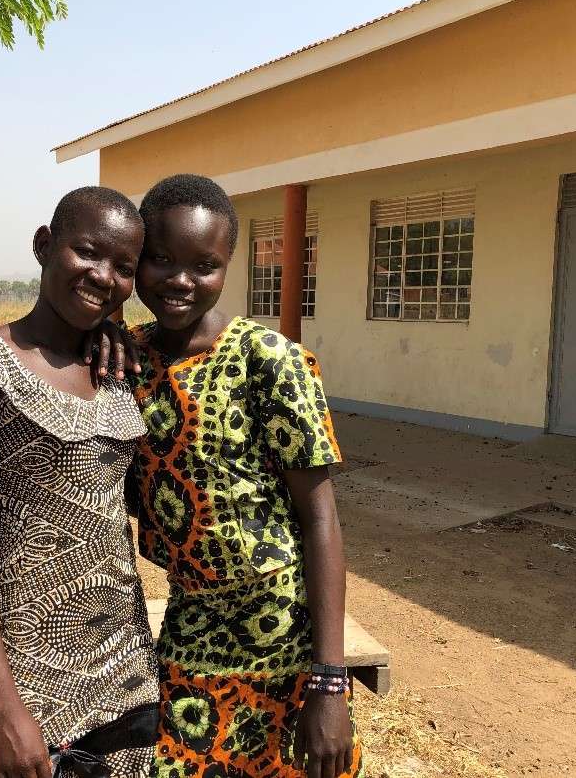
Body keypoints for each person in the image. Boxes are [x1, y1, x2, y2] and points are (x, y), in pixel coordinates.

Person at [98, 174, 364, 778]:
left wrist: (329, 681)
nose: (180, 280)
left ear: (227, 268)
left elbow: (320, 518)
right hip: (190, 619)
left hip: (282, 638)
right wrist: (107, 328)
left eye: (205, 264)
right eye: (161, 260)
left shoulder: (270, 362)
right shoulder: (127, 357)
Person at [0, 187, 160, 778]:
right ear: (43, 246)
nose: (103, 276)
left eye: (124, 268)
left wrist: (111, 326)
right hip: (26, 686)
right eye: (87, 252)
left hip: (126, 671)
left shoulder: (114, 368)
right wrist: (3, 710)